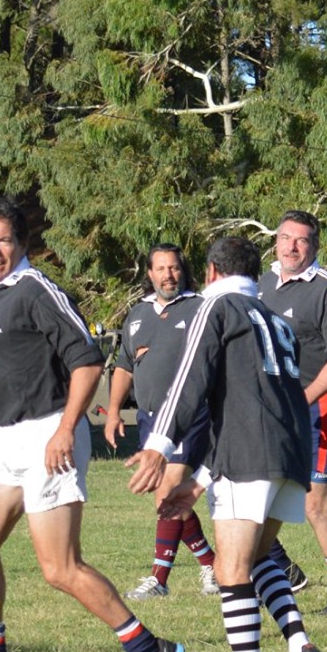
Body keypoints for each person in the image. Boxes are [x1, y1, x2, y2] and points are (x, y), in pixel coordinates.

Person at [0, 195, 184, 652]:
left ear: (20, 244)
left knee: (60, 568)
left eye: (3, 240)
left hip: (49, 431)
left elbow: (87, 362)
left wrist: (66, 429)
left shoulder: (35, 290)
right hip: (4, 436)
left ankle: (150, 651)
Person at [127, 235, 325, 652]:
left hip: (249, 453)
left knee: (229, 570)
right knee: (258, 559)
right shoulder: (274, 318)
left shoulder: (212, 310)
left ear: (212, 273)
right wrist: (197, 480)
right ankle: (299, 644)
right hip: (292, 454)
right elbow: (240, 397)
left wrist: (157, 445)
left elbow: (187, 385)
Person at [257, 211, 327, 616]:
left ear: (314, 247)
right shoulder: (263, 283)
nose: (291, 246)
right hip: (275, 408)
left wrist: (305, 398)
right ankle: (281, 566)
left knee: (315, 506)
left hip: (324, 406)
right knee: (252, 488)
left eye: (301, 240)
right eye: (285, 237)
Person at [104, 244, 220, 598]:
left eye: (174, 268)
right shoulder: (138, 314)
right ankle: (212, 566)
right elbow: (125, 365)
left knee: (167, 495)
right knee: (166, 500)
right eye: (161, 269)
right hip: (149, 418)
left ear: (182, 270)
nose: (168, 275)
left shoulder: (199, 307)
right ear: (150, 273)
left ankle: (159, 579)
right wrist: (112, 412)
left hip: (190, 415)